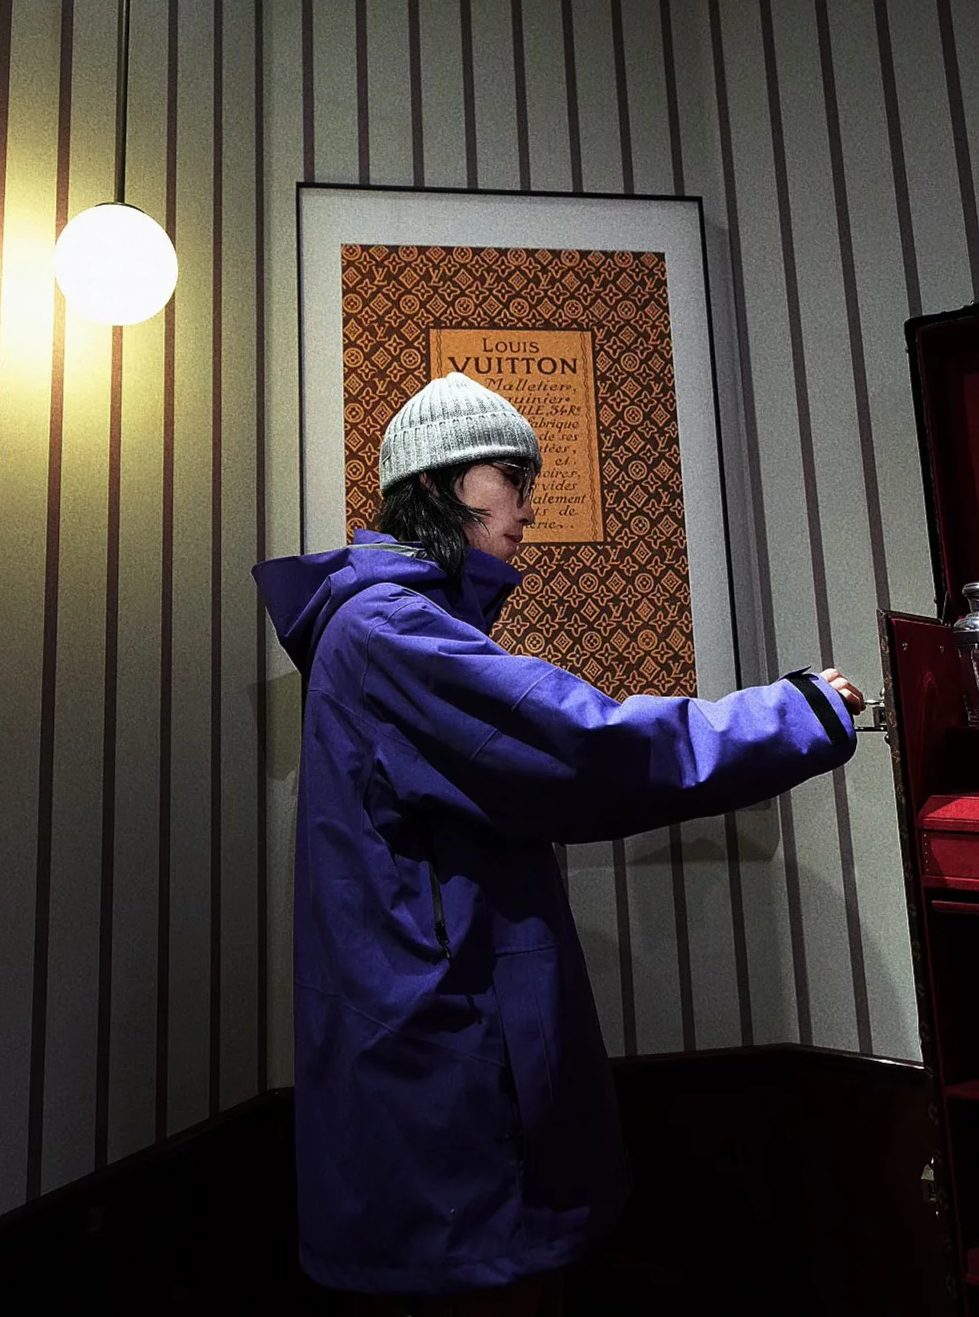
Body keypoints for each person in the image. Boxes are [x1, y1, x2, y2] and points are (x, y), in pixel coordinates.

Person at [254, 373, 864, 1316]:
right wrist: (799, 711)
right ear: (440, 484)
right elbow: (588, 749)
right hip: (445, 1064)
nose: (530, 510)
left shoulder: (387, 624)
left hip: (429, 1045)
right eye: (512, 480)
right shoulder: (394, 631)